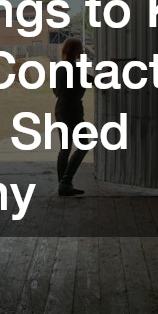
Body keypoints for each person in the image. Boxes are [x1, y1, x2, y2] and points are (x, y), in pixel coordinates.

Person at [53, 37, 88, 196]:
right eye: (80, 48)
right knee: (83, 145)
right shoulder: (75, 68)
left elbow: (55, 91)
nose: (82, 50)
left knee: (65, 148)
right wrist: (111, 68)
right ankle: (66, 182)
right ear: (74, 50)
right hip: (72, 110)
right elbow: (95, 80)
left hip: (60, 109)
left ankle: (62, 185)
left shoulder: (60, 67)